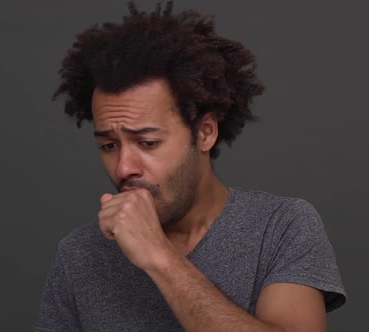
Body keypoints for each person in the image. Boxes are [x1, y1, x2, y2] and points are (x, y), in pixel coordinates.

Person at [36, 2, 346, 331]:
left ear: (204, 132)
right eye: (109, 145)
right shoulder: (79, 256)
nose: (124, 167)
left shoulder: (282, 227)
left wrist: (160, 258)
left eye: (147, 143)